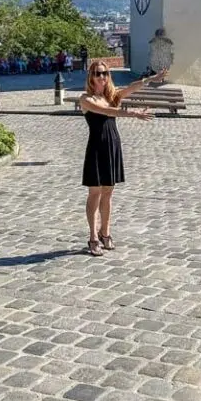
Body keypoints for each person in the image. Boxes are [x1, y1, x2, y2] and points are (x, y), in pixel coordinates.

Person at [80, 61, 165, 256]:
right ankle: (93, 236)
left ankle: (105, 232)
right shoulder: (86, 99)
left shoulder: (111, 96)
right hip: (96, 148)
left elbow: (131, 88)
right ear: (91, 77)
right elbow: (107, 112)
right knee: (95, 193)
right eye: (98, 73)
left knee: (108, 193)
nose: (102, 77)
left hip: (112, 146)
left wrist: (151, 79)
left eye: (105, 73)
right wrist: (132, 113)